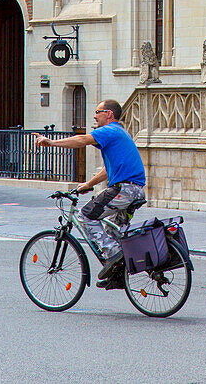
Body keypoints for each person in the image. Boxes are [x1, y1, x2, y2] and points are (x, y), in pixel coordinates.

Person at [35, 99, 146, 287]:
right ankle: (119, 275)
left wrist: (51, 142)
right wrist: (87, 184)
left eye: (98, 111)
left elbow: (82, 140)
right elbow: (106, 171)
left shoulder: (110, 130)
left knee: (86, 215)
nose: (94, 116)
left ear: (109, 114)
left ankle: (114, 255)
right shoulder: (119, 134)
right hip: (134, 191)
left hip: (125, 190)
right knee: (113, 231)